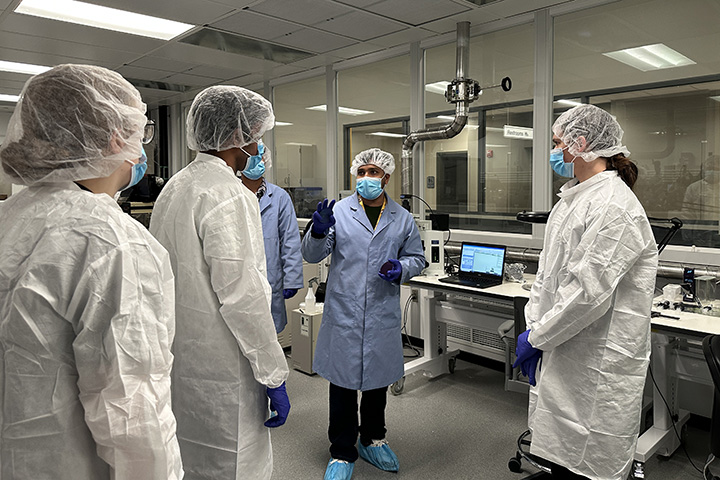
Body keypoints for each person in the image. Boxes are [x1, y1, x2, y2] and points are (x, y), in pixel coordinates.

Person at [0, 64, 182, 479]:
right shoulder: (111, 242)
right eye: (142, 131)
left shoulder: (10, 216)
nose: (141, 148)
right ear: (117, 137)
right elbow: (133, 414)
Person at [149, 85, 290, 480]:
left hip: (180, 353)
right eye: (256, 137)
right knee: (233, 460)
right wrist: (272, 373)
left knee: (190, 456)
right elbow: (243, 296)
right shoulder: (229, 194)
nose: (259, 147)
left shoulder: (175, 187)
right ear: (236, 137)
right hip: (225, 363)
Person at [514, 104, 658, 480]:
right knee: (560, 451)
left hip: (596, 358)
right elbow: (550, 278)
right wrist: (536, 329)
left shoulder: (613, 207)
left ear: (581, 144)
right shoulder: (575, 198)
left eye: (558, 142)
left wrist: (538, 337)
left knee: (589, 457)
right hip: (563, 346)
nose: (554, 150)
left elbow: (586, 295)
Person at [301, 148, 425, 480]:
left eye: (374, 172)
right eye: (362, 171)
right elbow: (313, 255)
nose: (367, 178)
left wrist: (402, 267)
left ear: (386, 177)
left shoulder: (402, 217)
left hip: (381, 312)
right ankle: (342, 451)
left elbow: (417, 257)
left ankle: (372, 439)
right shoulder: (338, 212)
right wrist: (316, 231)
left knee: (376, 384)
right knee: (342, 386)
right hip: (344, 311)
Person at [240, 151, 303, 333]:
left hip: (271, 279)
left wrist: (292, 279)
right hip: (240, 278)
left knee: (269, 336)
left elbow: (290, 240)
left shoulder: (279, 197)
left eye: (258, 157)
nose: (254, 162)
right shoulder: (231, 193)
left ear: (265, 161)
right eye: (249, 157)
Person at [681, 155, 720, 246]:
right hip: (700, 233)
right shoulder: (694, 188)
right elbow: (687, 213)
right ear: (703, 170)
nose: (712, 171)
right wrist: (686, 233)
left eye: (716, 169)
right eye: (709, 168)